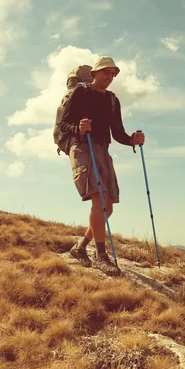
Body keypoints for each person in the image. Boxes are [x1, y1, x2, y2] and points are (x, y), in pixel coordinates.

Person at [59, 56, 145, 275]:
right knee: (99, 198)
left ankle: (80, 247)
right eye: (106, 72)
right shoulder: (81, 92)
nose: (110, 77)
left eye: (113, 74)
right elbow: (64, 124)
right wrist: (78, 128)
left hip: (102, 149)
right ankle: (101, 255)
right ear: (95, 73)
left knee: (108, 205)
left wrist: (132, 139)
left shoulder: (113, 100)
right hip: (81, 146)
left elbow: (117, 132)